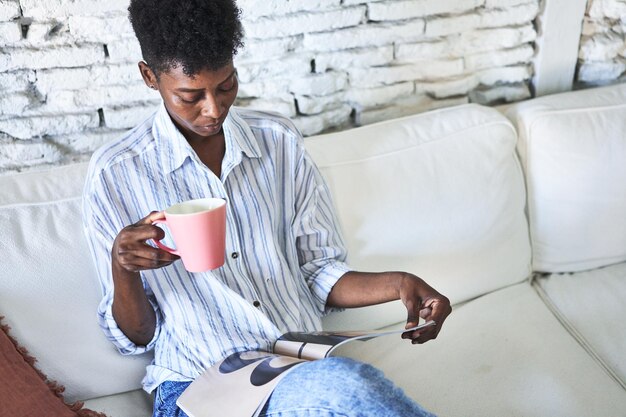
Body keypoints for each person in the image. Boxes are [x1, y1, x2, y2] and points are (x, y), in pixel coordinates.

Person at [82, 0, 452, 416]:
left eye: (226, 86)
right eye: (190, 96)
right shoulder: (115, 173)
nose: (213, 109)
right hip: (198, 386)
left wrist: (401, 282)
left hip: (297, 370)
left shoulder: (278, 140)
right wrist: (123, 266)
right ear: (150, 76)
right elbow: (134, 336)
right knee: (347, 386)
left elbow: (318, 271)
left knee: (342, 388)